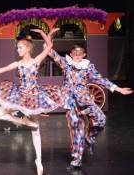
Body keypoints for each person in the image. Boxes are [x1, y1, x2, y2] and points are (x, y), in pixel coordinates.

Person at [0, 28, 61, 175]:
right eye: (17, 48)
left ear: (28, 48)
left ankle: (38, 160)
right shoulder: (17, 64)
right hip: (19, 96)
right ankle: (24, 122)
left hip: (33, 97)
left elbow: (49, 47)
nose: (18, 50)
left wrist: (44, 34)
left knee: (36, 130)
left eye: (20, 47)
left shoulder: (35, 61)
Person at [45, 29, 133, 170]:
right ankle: (76, 160)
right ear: (71, 54)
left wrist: (118, 89)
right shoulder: (65, 64)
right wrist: (49, 37)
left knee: (101, 120)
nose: (78, 56)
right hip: (71, 103)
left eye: (80, 53)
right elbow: (51, 52)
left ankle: (90, 137)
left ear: (84, 54)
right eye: (75, 53)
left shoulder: (88, 67)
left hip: (85, 101)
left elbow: (101, 80)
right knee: (76, 129)